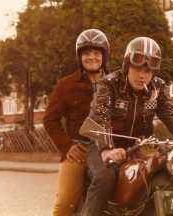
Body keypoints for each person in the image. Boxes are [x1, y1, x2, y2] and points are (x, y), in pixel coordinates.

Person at [79, 36, 173, 216]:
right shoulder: (109, 83)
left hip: (139, 147)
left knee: (163, 174)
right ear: (128, 64)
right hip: (102, 147)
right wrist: (107, 149)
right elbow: (100, 114)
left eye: (149, 70)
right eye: (138, 68)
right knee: (105, 177)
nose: (143, 75)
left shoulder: (157, 88)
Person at [43, 29, 110, 216]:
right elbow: (50, 120)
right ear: (79, 56)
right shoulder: (66, 84)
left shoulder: (115, 82)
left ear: (104, 55)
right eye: (86, 53)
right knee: (64, 205)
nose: (92, 57)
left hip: (110, 149)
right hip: (79, 151)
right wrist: (67, 146)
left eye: (96, 53)